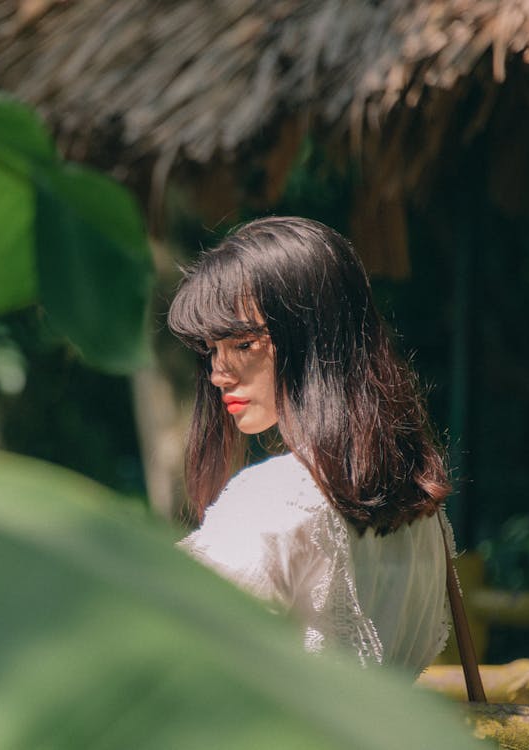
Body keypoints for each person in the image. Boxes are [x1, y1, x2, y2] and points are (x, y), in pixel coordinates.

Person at [168, 216, 453, 675]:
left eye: (244, 343)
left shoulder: (275, 496)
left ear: (314, 338)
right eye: (210, 348)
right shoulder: (423, 510)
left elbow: (174, 652)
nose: (219, 373)